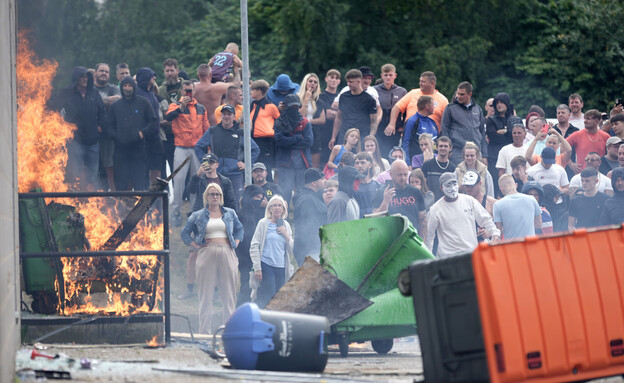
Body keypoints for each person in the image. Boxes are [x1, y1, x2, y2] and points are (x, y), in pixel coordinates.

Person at [181, 183, 243, 334]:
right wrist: (195, 244)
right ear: (206, 197)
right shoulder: (198, 215)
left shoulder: (230, 213)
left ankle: (229, 331)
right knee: (205, 294)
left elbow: (240, 229)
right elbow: (184, 233)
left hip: (227, 251)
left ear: (221, 197)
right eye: (212, 194)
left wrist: (236, 242)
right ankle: (204, 332)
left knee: (229, 294)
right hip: (207, 252)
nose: (215, 197)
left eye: (217, 194)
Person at [178, 154, 237, 300]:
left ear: (217, 164)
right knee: (193, 254)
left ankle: (216, 291)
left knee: (217, 256)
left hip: (219, 222)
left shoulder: (225, 181)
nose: (208, 165)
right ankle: (189, 288)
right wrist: (197, 175)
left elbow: (231, 203)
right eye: (205, 162)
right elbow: (188, 191)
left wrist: (229, 221)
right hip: (199, 220)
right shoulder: (199, 179)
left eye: (211, 162)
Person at [50, 66, 105, 190]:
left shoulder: (94, 92)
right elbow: (54, 108)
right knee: (75, 173)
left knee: (93, 175)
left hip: (92, 141)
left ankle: (93, 202)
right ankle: (76, 201)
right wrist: (62, 125)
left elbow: (102, 111)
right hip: (75, 139)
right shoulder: (67, 92)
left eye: (87, 77)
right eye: (82, 76)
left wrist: (101, 126)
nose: (85, 79)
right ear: (76, 78)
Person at [165, 80, 210, 226]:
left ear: (194, 91)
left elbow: (206, 129)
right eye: (185, 90)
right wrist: (181, 106)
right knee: (178, 181)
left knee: (195, 180)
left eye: (190, 90)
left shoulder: (201, 108)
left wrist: (207, 149)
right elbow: (168, 117)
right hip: (181, 148)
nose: (188, 93)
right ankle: (176, 210)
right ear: (181, 91)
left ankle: (193, 211)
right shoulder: (175, 105)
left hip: (197, 149)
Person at [195, 104, 260, 204]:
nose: (226, 116)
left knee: (236, 204)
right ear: (220, 116)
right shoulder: (212, 131)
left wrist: (247, 164)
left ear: (234, 116)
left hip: (235, 175)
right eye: (224, 114)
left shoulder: (241, 133)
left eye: (229, 114)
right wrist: (205, 163)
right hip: (216, 175)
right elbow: (199, 146)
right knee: (214, 203)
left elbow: (255, 149)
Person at [426, 172, 500, 257]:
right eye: (448, 185)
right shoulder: (435, 209)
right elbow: (429, 237)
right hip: (448, 258)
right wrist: (429, 257)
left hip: (471, 254)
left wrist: (495, 233)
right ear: (441, 188)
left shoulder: (469, 200)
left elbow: (485, 219)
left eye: (454, 184)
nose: (452, 188)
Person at [105, 76, 157, 191]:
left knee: (139, 183)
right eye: (125, 86)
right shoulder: (115, 106)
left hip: (138, 149)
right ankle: (121, 208)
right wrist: (116, 136)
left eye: (129, 86)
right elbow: (108, 126)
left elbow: (153, 121)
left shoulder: (143, 102)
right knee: (121, 184)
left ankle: (141, 208)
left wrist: (143, 133)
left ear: (133, 87)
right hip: (120, 150)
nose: (127, 88)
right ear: (121, 87)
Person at [250, 195, 294, 308]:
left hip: (281, 267)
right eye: (274, 205)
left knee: (279, 298)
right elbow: (254, 246)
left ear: (284, 209)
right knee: (269, 296)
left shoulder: (286, 225)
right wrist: (257, 268)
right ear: (269, 208)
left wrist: (286, 235)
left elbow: (291, 250)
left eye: (280, 206)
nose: (277, 208)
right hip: (266, 265)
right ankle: (265, 321)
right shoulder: (263, 223)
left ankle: (277, 323)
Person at [274, 94, 313, 205]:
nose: (294, 109)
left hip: (302, 164)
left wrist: (289, 141)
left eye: (296, 107)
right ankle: (283, 218)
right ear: (286, 107)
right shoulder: (279, 122)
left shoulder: (305, 122)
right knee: (284, 192)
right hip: (285, 164)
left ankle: (301, 216)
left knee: (302, 193)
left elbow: (309, 142)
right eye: (292, 107)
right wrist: (298, 138)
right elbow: (279, 141)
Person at [373, 160, 427, 236]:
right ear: (391, 174)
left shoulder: (415, 192)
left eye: (405, 174)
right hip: (390, 240)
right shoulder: (381, 193)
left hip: (412, 239)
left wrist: (422, 243)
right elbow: (373, 220)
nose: (403, 178)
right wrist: (385, 202)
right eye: (399, 175)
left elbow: (423, 221)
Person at [235, 185, 268, 306]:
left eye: (261, 197)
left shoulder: (264, 215)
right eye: (256, 196)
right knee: (246, 287)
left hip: (263, 257)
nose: (259, 199)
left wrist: (267, 207)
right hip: (245, 258)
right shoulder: (240, 215)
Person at [440, 82, 487, 165]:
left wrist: (484, 155)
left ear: (470, 94)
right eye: (458, 93)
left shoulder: (478, 109)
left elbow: (482, 132)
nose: (458, 96)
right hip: (458, 151)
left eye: (462, 94)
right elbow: (445, 130)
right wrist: (449, 150)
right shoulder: (450, 108)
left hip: (476, 151)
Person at [329, 69, 377, 148]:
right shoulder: (343, 96)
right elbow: (338, 117)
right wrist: (333, 137)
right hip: (344, 135)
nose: (348, 84)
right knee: (341, 159)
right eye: (347, 82)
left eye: (351, 82)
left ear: (358, 81)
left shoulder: (369, 100)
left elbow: (374, 122)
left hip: (361, 136)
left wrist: (370, 138)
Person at [135, 68, 165, 185]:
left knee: (156, 166)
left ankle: (155, 196)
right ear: (146, 78)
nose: (155, 78)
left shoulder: (150, 93)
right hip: (144, 137)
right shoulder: (137, 93)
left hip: (155, 137)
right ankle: (142, 196)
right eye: (152, 76)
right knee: (143, 169)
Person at [94, 63, 121, 191]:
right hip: (91, 134)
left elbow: (117, 100)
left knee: (109, 166)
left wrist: (97, 101)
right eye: (101, 71)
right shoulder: (90, 88)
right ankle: (94, 197)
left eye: (106, 72)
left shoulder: (113, 88)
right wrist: (106, 102)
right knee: (92, 167)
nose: (104, 73)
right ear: (95, 73)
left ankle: (113, 195)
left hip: (108, 134)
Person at [292, 168, 326, 264]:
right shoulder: (307, 200)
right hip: (309, 250)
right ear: (314, 183)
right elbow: (310, 228)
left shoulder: (313, 197)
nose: (325, 181)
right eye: (322, 179)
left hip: (312, 248)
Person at [493, 174, 542, 240]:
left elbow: (498, 231)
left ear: (501, 189)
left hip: (511, 246)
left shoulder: (498, 205)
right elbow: (538, 224)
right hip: (530, 245)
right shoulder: (532, 199)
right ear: (516, 185)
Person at [250, 79, 281, 177]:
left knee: (265, 168)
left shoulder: (271, 106)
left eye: (252, 90)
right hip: (252, 140)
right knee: (254, 167)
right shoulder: (252, 105)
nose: (250, 92)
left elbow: (280, 122)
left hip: (266, 142)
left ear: (259, 92)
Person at [374, 63, 407, 155]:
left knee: (393, 152)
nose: (388, 77)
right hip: (378, 127)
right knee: (378, 152)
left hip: (395, 129)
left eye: (390, 75)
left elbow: (405, 112)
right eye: (385, 75)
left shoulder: (402, 91)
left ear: (395, 75)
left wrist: (401, 127)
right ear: (381, 76)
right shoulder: (374, 90)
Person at [298, 73, 327, 169]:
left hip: (315, 134)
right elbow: (300, 116)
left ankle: (313, 182)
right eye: (310, 81)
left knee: (314, 166)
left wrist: (308, 121)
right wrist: (306, 99)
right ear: (305, 82)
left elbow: (322, 120)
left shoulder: (319, 101)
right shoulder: (297, 98)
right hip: (300, 133)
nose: (312, 83)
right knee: (300, 164)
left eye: (315, 82)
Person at [402, 95, 438, 161]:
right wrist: (408, 163)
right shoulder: (412, 121)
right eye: (433, 105)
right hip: (416, 162)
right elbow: (405, 143)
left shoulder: (433, 122)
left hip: (433, 161)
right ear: (427, 106)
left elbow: (436, 144)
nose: (434, 107)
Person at [318, 69, 341, 167]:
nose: (334, 80)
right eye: (332, 77)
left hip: (339, 133)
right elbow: (328, 115)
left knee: (337, 160)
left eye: (337, 78)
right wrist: (341, 114)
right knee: (325, 162)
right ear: (326, 79)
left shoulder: (341, 96)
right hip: (325, 133)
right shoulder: (321, 96)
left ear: (339, 81)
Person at [422, 136, 456, 201]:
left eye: (446, 146)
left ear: (450, 148)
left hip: (447, 203)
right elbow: (423, 185)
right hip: (431, 203)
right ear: (437, 147)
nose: (443, 148)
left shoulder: (453, 168)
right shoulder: (427, 165)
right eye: (441, 146)